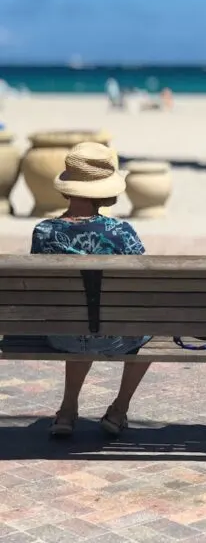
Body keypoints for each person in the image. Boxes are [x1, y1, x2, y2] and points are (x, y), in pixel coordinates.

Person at [30, 142, 151, 437]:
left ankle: (67, 411)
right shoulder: (122, 233)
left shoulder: (43, 232)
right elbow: (143, 282)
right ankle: (119, 409)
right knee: (152, 325)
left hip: (61, 336)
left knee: (79, 316)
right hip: (113, 339)